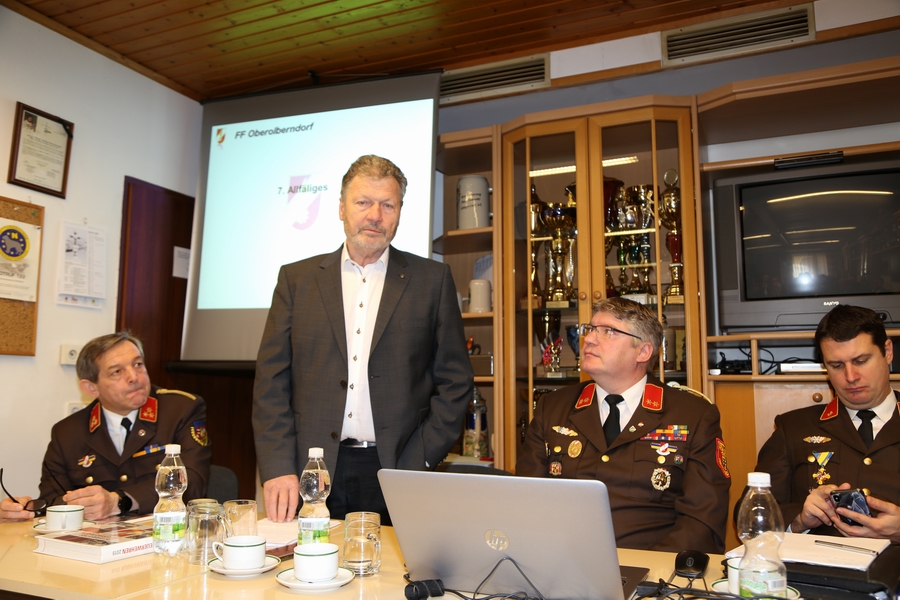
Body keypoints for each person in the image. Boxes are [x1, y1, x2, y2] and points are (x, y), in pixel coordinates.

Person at [253, 154, 473, 524]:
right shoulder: (297, 280)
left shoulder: (432, 281)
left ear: (399, 213)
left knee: (394, 563)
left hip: (399, 469)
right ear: (341, 208)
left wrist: (419, 458)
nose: (375, 215)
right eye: (363, 202)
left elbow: (456, 381)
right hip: (311, 471)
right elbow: (271, 383)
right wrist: (278, 466)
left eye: (387, 205)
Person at [517, 297, 731, 553]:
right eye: (591, 329)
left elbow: (703, 521)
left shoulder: (692, 414)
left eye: (608, 331)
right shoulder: (553, 407)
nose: (590, 339)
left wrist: (650, 570)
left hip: (653, 566)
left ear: (643, 352)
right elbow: (526, 501)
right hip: (562, 559)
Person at [0, 332, 211, 522]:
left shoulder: (180, 410)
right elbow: (53, 499)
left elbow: (194, 483)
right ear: (91, 388)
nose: (134, 377)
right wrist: (26, 510)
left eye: (138, 364)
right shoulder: (67, 433)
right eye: (117, 371)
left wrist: (119, 501)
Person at [747, 304, 900, 541]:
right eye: (836, 366)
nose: (850, 377)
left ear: (887, 352)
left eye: (861, 361)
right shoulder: (793, 427)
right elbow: (751, 513)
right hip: (819, 561)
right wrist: (799, 520)